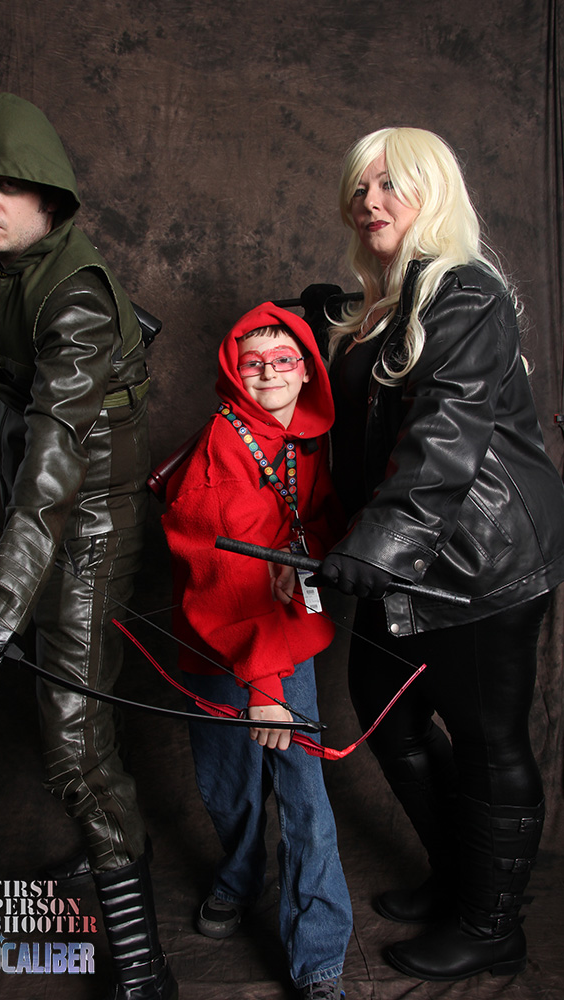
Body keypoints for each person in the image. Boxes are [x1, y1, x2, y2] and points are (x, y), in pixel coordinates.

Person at [0, 93, 176, 1000]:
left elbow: (54, 467)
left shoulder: (77, 300)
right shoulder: (25, 266)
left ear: (50, 197)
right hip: (51, 520)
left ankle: (144, 971)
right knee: (75, 725)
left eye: (7, 187)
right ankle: (107, 849)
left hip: (86, 527)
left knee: (72, 743)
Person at [308, 126, 564, 983]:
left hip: (483, 558)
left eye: (389, 184)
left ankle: (490, 926)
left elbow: (444, 436)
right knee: (389, 716)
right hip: (410, 552)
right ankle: (462, 879)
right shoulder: (383, 305)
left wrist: (375, 545)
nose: (368, 200)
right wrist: (316, 328)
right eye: (359, 187)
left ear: (433, 192)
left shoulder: (466, 290)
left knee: (489, 740)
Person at [161, 302, 352, 1000]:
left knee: (305, 798)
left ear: (306, 371)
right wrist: (265, 688)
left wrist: (317, 556)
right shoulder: (222, 448)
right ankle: (240, 878)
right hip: (218, 642)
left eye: (283, 360)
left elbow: (320, 514)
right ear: (233, 372)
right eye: (253, 363)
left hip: (284, 632)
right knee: (229, 787)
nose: (268, 373)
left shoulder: (307, 438)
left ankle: (320, 961)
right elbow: (221, 580)